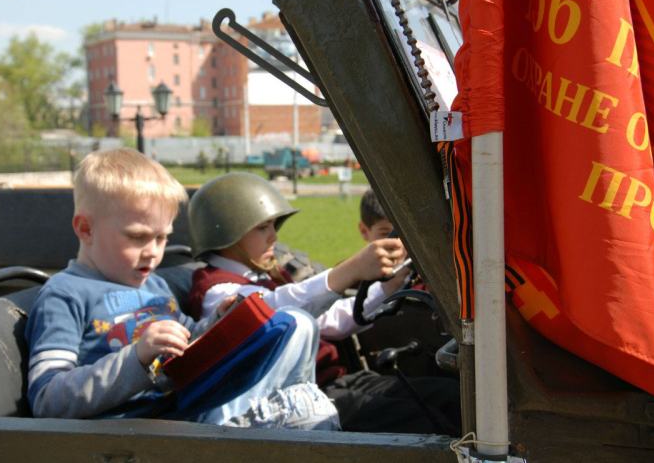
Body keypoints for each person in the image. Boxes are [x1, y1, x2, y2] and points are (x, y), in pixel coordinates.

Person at [25, 148, 340, 430]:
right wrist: (136, 357)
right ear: (86, 228)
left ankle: (296, 422)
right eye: (138, 237)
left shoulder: (154, 284)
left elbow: (190, 342)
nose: (153, 252)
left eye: (162, 238)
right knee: (307, 407)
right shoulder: (65, 294)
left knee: (298, 323)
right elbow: (48, 398)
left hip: (193, 410)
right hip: (141, 434)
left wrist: (219, 320)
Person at [186, 172, 461, 434]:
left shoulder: (263, 276)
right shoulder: (217, 290)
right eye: (262, 228)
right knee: (428, 422)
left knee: (454, 399)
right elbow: (269, 312)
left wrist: (389, 286)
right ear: (227, 235)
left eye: (273, 226)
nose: (274, 237)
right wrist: (350, 271)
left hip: (331, 381)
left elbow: (331, 321)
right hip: (296, 400)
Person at [359, 188, 426, 290]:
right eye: (386, 234)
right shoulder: (352, 278)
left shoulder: (427, 283)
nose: (397, 243)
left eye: (405, 234)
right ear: (364, 231)